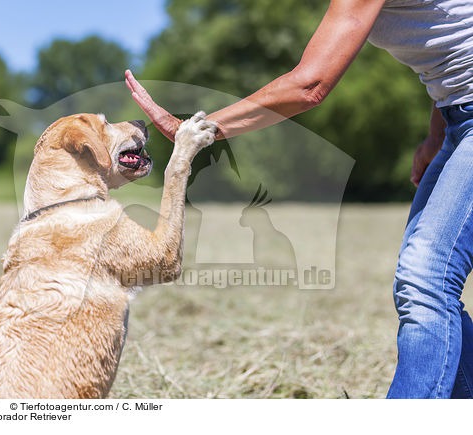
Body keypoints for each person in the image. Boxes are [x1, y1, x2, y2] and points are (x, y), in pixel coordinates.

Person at [125, 0, 473, 399]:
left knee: (425, 281)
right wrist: (437, 133)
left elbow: (310, 85)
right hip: (458, 119)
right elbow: (451, 47)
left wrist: (200, 129)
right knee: (428, 287)